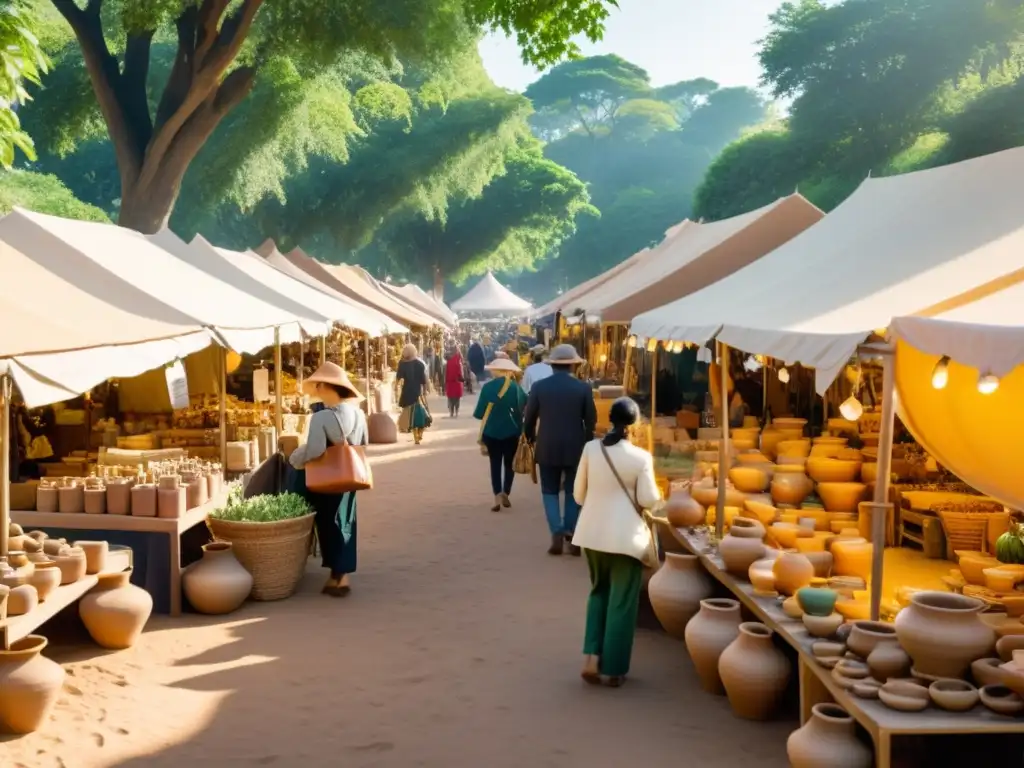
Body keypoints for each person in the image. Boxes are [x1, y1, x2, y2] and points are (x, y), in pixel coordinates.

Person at [571, 397, 660, 686]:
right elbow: (649, 500)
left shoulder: (590, 449)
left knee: (599, 592)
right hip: (626, 538)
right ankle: (614, 668)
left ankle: (592, 657)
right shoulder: (641, 458)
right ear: (635, 426)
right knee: (622, 602)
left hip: (592, 534)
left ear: (609, 419)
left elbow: (578, 495)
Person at [287, 362, 368, 597]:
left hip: (327, 478)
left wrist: (295, 456)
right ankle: (342, 574)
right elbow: (364, 442)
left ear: (325, 386)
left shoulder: (322, 416)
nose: (316, 390)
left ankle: (338, 576)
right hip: (350, 475)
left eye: (318, 385)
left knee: (328, 522)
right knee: (345, 521)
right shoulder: (359, 414)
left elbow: (314, 450)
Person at [524, 344, 597, 556]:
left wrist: (529, 438)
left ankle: (556, 532)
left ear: (552, 366)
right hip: (575, 447)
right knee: (574, 493)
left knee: (550, 491)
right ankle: (572, 534)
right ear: (573, 366)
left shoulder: (539, 387)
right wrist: (587, 442)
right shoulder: (583, 388)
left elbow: (529, 419)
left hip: (546, 445)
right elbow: (591, 421)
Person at [473, 357, 527, 512]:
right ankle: (506, 491)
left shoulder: (488, 387)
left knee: (494, 464)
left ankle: (496, 494)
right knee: (509, 464)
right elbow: (524, 405)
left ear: (496, 371)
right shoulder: (516, 388)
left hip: (491, 432)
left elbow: (479, 413)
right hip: (512, 431)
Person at [396, 343, 430, 444]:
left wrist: (396, 390)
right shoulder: (420, 364)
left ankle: (415, 435)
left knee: (410, 416)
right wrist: (424, 391)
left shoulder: (402, 364)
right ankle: (419, 434)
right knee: (422, 415)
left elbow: (398, 379)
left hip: (406, 392)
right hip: (417, 393)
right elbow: (423, 380)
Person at [444, 346, 465, 417]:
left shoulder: (447, 362)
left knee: (450, 398)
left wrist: (444, 383)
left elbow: (445, 373)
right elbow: (461, 374)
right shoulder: (458, 362)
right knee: (457, 398)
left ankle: (451, 412)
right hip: (457, 382)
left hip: (449, 382)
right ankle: (456, 411)